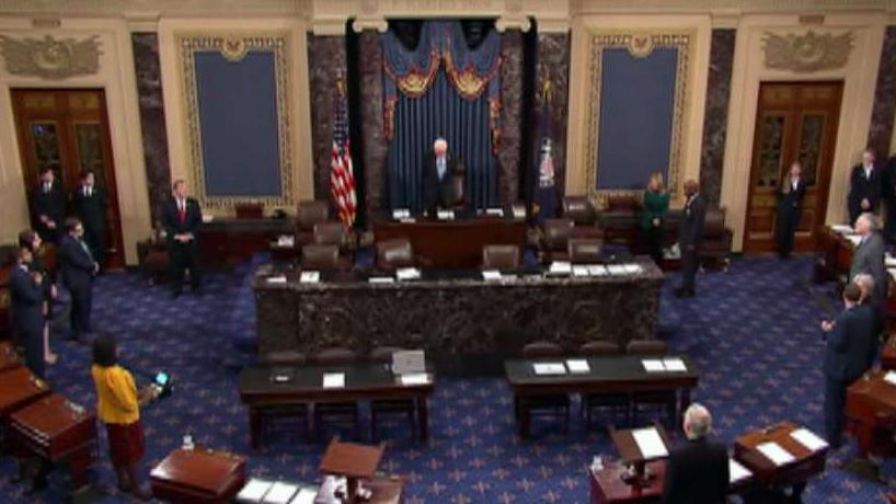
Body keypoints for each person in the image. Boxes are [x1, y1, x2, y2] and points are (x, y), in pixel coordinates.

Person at [91, 334, 156, 500]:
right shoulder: (118, 375)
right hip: (125, 422)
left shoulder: (96, 369)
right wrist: (147, 397)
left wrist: (138, 392)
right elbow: (129, 404)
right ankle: (136, 488)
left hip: (110, 418)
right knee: (131, 455)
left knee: (117, 450)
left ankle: (122, 480)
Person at [821, 283, 877, 448]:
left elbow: (837, 344)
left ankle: (833, 440)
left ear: (844, 297)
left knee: (833, 406)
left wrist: (827, 331)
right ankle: (848, 429)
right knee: (849, 402)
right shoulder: (869, 313)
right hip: (859, 367)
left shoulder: (845, 318)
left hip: (839, 370)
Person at [661, 403, 728, 504]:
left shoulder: (678, 456)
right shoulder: (720, 449)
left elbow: (668, 497)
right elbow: (724, 486)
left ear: (687, 427)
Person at [18, 230, 60, 365]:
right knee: (42, 326)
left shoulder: (37, 256)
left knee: (46, 324)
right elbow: (35, 284)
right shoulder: (27, 263)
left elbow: (45, 273)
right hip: (39, 300)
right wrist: (44, 302)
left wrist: (52, 285)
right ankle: (44, 354)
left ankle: (45, 352)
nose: (40, 241)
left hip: (45, 294)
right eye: (36, 240)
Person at [8, 246, 47, 379]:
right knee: (34, 355)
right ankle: (38, 381)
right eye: (26, 253)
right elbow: (32, 297)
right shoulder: (18, 276)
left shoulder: (24, 272)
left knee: (37, 352)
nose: (30, 254)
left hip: (33, 317)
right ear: (20, 259)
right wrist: (38, 284)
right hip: (29, 321)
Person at [59, 217, 99, 343]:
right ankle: (83, 333)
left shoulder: (77, 240)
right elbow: (78, 260)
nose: (82, 231)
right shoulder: (68, 244)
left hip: (83, 278)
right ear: (71, 231)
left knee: (80, 305)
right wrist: (92, 266)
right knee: (82, 306)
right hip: (77, 280)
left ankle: (78, 330)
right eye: (78, 229)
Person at [162, 180, 202, 297]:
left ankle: (196, 287)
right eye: (181, 188)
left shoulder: (193, 203)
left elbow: (198, 222)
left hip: (190, 240)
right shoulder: (167, 205)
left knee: (194, 265)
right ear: (175, 191)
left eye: (185, 188)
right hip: (175, 242)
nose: (184, 191)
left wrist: (190, 234)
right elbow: (165, 223)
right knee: (176, 266)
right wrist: (177, 236)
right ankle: (176, 289)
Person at [674, 179, 705, 298]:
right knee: (686, 265)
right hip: (685, 238)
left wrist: (691, 242)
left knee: (689, 265)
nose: (684, 191)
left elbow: (697, 225)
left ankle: (688, 289)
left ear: (692, 189)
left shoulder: (698, 203)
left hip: (691, 241)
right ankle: (686, 287)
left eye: (686, 189)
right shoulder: (691, 201)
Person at [849, 213, 887, 307]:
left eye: (859, 223)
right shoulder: (866, 240)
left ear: (868, 227)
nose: (855, 224)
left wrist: (879, 300)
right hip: (857, 291)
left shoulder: (875, 245)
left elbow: (878, 272)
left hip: (866, 296)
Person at [71, 170, 107, 268]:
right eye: (89, 178)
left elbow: (103, 205)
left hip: (97, 223)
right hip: (83, 224)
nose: (91, 180)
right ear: (83, 180)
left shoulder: (99, 190)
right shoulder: (77, 192)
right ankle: (89, 266)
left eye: (92, 178)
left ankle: (100, 267)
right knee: (86, 246)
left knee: (99, 245)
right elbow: (75, 207)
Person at [422, 137, 465, 216]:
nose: (440, 153)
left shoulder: (452, 158)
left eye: (442, 151)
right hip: (432, 195)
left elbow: (457, 173)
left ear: (446, 150)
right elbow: (425, 174)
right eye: (438, 151)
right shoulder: (428, 158)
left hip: (447, 195)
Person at [775, 162, 806, 259]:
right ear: (791, 170)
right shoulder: (786, 180)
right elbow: (779, 193)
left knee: (791, 231)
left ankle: (789, 251)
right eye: (794, 169)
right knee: (783, 230)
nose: (795, 171)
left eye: (797, 169)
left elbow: (802, 195)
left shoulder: (802, 182)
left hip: (795, 210)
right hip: (785, 209)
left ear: (800, 171)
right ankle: (782, 252)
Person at [640, 172, 670, 265]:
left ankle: (657, 266)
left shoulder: (666, 195)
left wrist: (658, 218)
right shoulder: (648, 193)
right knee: (645, 246)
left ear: (658, 182)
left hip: (659, 223)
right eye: (651, 181)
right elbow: (646, 208)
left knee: (657, 246)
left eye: (653, 181)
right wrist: (653, 218)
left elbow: (665, 210)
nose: (651, 183)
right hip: (647, 222)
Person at [31, 167, 66, 242]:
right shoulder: (37, 190)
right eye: (48, 174)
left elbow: (62, 205)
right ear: (42, 176)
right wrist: (45, 220)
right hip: (44, 225)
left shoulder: (59, 188)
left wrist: (54, 221)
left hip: (58, 223)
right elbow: (36, 206)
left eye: (51, 174)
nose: (50, 176)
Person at [847, 149, 881, 225]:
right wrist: (862, 199)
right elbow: (855, 185)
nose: (866, 160)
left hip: (870, 204)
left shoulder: (877, 172)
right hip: (856, 202)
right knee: (855, 223)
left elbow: (877, 188)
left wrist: (869, 200)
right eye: (864, 158)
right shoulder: (857, 170)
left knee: (866, 224)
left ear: (873, 158)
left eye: (868, 158)